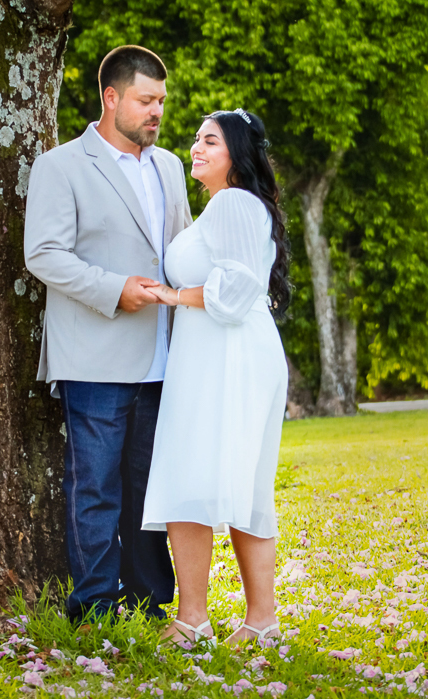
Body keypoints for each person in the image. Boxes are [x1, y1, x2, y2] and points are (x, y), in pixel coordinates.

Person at [23, 45, 192, 625]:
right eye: (146, 100)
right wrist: (114, 288)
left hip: (163, 356)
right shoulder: (60, 166)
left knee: (150, 488)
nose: (157, 112)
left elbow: (180, 251)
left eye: (161, 101)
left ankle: (150, 604)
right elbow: (44, 254)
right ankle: (94, 606)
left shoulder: (170, 167)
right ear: (111, 97)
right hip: (93, 355)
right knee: (95, 488)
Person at [141, 109, 290, 646]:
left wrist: (171, 295)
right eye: (196, 139)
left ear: (237, 155)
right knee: (220, 481)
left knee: (202, 477)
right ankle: (241, 621)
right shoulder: (226, 207)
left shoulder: (232, 203)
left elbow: (235, 289)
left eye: (211, 141)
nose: (196, 148)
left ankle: (208, 619)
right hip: (211, 352)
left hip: (229, 355)